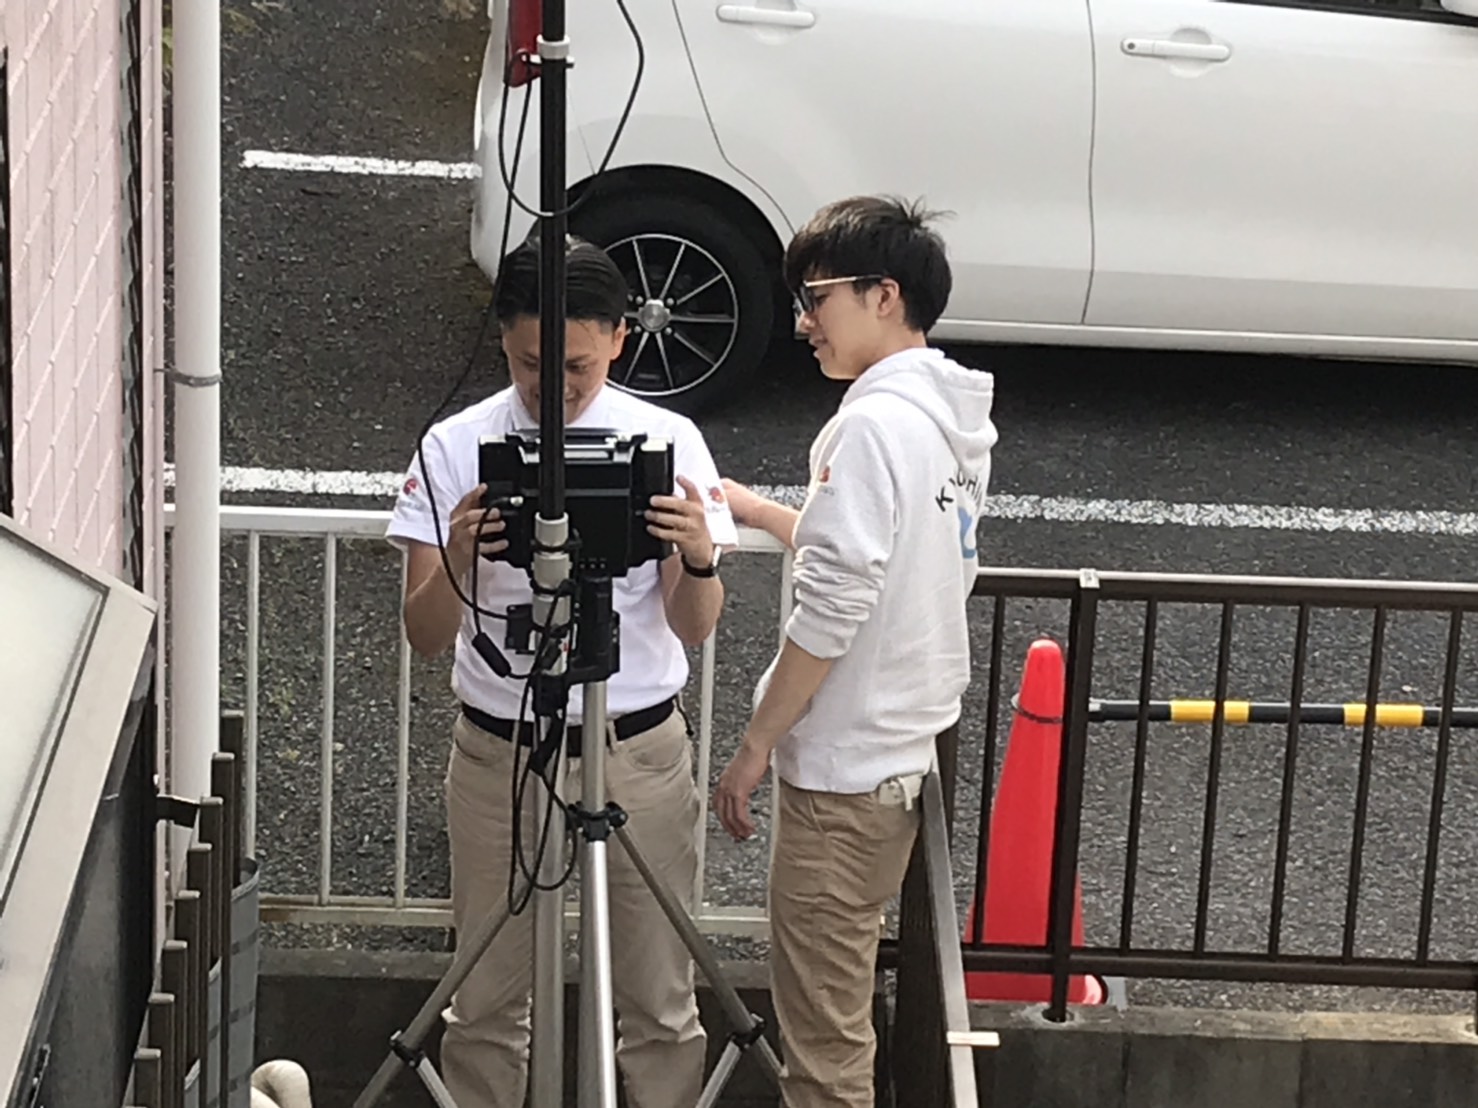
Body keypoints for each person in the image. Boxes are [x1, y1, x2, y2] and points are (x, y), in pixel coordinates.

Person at [385, 235, 737, 1108]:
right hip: (500, 749)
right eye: (529, 364)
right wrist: (459, 557)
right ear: (502, 342)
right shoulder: (455, 445)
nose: (555, 386)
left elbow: (694, 626)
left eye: (577, 365)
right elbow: (423, 634)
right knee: (485, 1003)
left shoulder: (669, 440)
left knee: (660, 1002)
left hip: (638, 746)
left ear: (620, 337)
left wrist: (698, 557)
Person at [713, 196, 998, 1108]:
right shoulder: (949, 423)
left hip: (842, 777)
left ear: (884, 296)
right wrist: (767, 514)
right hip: (901, 764)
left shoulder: (870, 426)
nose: (803, 322)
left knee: (825, 1041)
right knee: (841, 1015)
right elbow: (895, 557)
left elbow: (836, 605)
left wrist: (755, 746)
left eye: (816, 298)